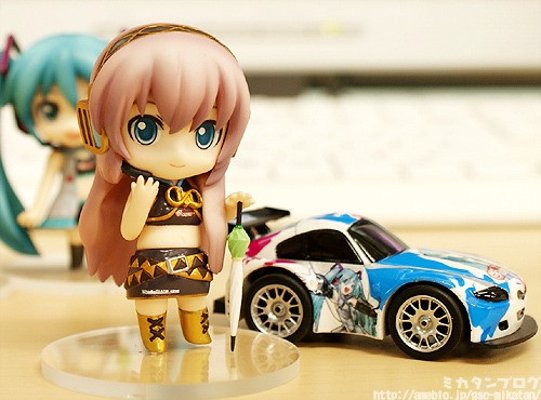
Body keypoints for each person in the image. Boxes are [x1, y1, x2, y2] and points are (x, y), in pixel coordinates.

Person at [78, 23, 252, 353]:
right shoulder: (143, 187)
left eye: (205, 134)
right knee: (152, 307)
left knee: (195, 303)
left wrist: (229, 208)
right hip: (150, 263)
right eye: (145, 128)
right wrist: (139, 203)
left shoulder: (197, 190)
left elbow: (210, 217)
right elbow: (129, 232)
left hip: (192, 263)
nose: (178, 156)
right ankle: (154, 339)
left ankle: (197, 334)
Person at [0, 33, 105, 268]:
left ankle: (96, 264)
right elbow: (46, 184)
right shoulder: (59, 157)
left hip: (98, 205)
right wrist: (37, 210)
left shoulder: (102, 152)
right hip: (69, 203)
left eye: (87, 109)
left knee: (98, 234)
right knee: (75, 235)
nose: (71, 126)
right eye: (50, 111)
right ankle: (77, 263)